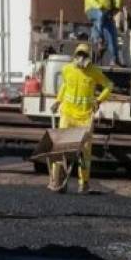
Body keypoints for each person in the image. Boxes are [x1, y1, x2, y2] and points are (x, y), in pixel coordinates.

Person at [50, 42, 113, 194]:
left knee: (84, 153)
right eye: (79, 55)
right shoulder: (67, 69)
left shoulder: (95, 72)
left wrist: (99, 101)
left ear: (89, 57)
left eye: (84, 55)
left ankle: (83, 183)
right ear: (75, 56)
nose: (81, 58)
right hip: (67, 114)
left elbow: (109, 86)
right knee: (60, 148)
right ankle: (57, 181)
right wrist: (58, 101)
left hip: (85, 118)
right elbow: (65, 86)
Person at [83, 0, 126, 67]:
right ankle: (99, 40)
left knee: (112, 34)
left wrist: (116, 6)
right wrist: (99, 7)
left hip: (106, 13)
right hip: (92, 10)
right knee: (99, 16)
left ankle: (115, 59)